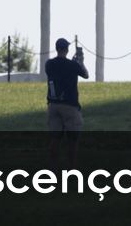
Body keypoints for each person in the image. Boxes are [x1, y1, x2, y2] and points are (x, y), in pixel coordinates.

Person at [45, 37, 89, 168]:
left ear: (57, 48)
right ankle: (72, 168)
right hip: (70, 105)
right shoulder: (72, 65)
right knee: (73, 140)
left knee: (55, 139)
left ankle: (53, 168)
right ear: (67, 49)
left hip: (53, 105)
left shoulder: (49, 64)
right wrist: (80, 62)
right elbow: (85, 75)